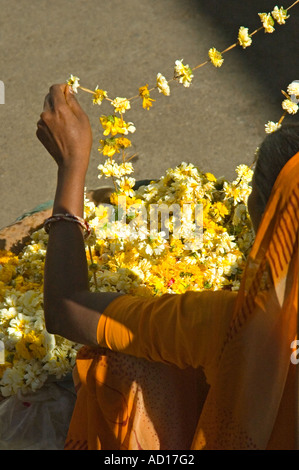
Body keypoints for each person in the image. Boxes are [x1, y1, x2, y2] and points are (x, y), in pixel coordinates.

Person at [36, 84, 299, 450]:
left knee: (120, 364)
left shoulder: (230, 326)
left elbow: (66, 309)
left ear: (272, 225)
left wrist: (71, 165)